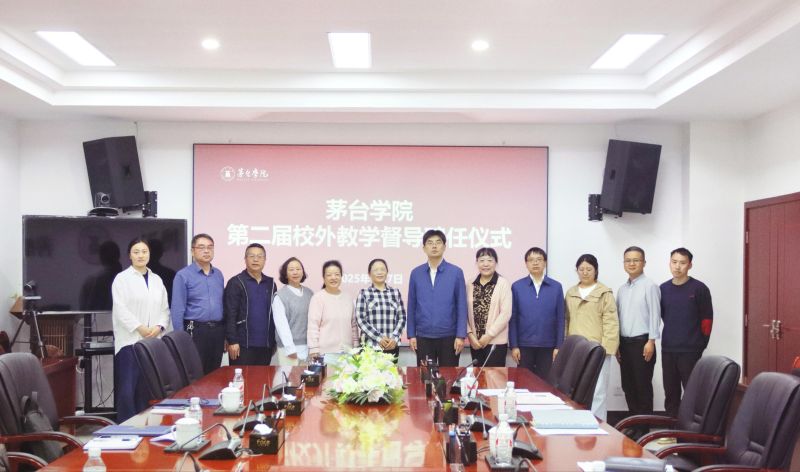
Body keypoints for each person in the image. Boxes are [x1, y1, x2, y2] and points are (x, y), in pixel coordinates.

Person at [112, 238, 170, 422]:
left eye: (144, 252)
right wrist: (140, 328)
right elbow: (120, 310)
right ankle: (127, 429)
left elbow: (164, 309)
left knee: (147, 389)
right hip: (130, 342)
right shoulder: (122, 279)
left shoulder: (157, 280)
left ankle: (146, 427)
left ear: (149, 254)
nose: (140, 255)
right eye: (136, 252)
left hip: (152, 344)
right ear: (129, 255)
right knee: (128, 390)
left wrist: (159, 326)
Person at [565, 253, 619, 421]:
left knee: (598, 390)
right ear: (577, 271)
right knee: (574, 388)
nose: (585, 272)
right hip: (576, 350)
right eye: (581, 269)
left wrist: (606, 349)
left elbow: (611, 323)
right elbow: (566, 321)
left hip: (598, 350)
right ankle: (577, 422)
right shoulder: (571, 293)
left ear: (596, 270)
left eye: (589, 269)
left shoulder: (605, 293)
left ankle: (597, 424)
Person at [660, 247, 713, 417]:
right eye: (674, 262)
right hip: (668, 349)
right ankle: (671, 426)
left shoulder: (699, 288)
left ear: (690, 265)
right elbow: (664, 316)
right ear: (669, 263)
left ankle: (689, 429)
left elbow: (707, 320)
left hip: (691, 350)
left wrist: (700, 345)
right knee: (670, 392)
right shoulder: (663, 289)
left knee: (691, 393)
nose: (677, 266)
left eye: (682, 263)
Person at [616, 246, 661, 437]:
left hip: (643, 343)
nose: (632, 263)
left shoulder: (650, 286)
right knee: (628, 386)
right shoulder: (622, 289)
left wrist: (651, 341)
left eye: (636, 260)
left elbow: (655, 315)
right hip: (624, 344)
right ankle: (633, 424)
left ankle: (643, 429)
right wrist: (617, 345)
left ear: (644, 263)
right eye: (628, 260)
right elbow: (618, 318)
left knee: (643, 387)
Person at [406, 229, 468, 367]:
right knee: (426, 376)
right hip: (423, 336)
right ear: (424, 248)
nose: (434, 246)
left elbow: (461, 306)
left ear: (444, 247)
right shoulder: (416, 273)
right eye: (430, 243)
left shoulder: (456, 272)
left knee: (449, 376)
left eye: (438, 242)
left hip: (449, 336)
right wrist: (411, 335)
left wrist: (460, 335)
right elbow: (412, 305)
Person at [171, 233, 225, 375]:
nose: (206, 251)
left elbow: (222, 305)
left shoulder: (218, 274)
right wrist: (180, 340)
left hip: (217, 331)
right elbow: (177, 309)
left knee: (214, 373)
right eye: (201, 247)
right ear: (192, 251)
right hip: (195, 331)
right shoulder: (183, 275)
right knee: (195, 373)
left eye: (210, 247)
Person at [509, 247, 565, 379]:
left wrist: (559, 346)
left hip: (548, 345)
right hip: (524, 345)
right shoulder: (517, 286)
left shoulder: (556, 287)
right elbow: (513, 319)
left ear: (545, 263)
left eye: (539, 259)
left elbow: (560, 319)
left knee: (545, 383)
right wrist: (514, 345)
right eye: (531, 260)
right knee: (523, 381)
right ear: (526, 263)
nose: (535, 263)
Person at [223, 243, 278, 366]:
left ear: (265, 260)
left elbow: (274, 314)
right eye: (251, 256)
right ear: (245, 259)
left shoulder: (271, 283)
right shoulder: (236, 282)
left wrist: (273, 341)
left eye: (260, 256)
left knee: (262, 377)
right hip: (241, 345)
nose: (255, 259)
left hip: (266, 345)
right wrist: (232, 340)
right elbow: (230, 313)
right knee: (241, 377)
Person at [466, 248, 512, 367]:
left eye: (490, 260)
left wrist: (488, 336)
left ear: (496, 262)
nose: (485, 264)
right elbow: (463, 312)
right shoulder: (470, 284)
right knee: (477, 376)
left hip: (496, 342)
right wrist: (470, 335)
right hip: (475, 342)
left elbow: (506, 314)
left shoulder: (503, 283)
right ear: (477, 263)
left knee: (495, 377)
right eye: (482, 260)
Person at [307, 260, 358, 363]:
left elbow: (353, 325)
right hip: (325, 354)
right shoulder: (318, 298)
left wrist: (356, 346)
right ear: (324, 277)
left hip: (348, 352)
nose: (333, 277)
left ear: (341, 276)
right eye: (329, 275)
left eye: (337, 274)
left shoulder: (348, 298)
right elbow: (313, 325)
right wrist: (314, 349)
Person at [355, 258, 407, 359]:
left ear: (387, 272)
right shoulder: (364, 293)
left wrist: (394, 338)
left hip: (392, 346)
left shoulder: (395, 292)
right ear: (369, 274)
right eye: (376, 270)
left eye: (383, 269)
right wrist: (379, 338)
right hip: (370, 347)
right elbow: (361, 320)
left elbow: (402, 318)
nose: (380, 272)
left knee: (391, 370)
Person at [273, 257, 313, 365]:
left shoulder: (309, 293)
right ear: (285, 274)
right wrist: (290, 348)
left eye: (298, 269)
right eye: (291, 269)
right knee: (290, 376)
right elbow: (281, 325)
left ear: (303, 272)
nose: (295, 272)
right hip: (289, 349)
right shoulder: (280, 296)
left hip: (308, 348)